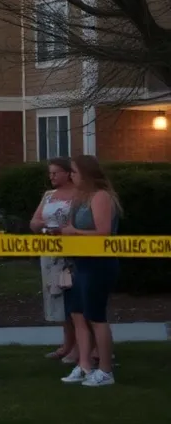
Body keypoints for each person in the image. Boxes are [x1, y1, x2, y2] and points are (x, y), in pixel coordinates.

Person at [57, 154, 122, 387]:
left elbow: (103, 232)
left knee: (96, 316)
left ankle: (105, 370)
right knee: (78, 313)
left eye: (74, 171)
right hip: (80, 263)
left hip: (99, 263)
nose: (71, 175)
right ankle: (84, 365)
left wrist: (74, 232)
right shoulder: (79, 198)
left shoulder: (101, 196)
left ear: (86, 173)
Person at [29, 157, 79, 363]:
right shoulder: (48, 196)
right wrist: (45, 228)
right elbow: (34, 222)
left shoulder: (80, 196)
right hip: (50, 253)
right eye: (50, 173)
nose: (51, 176)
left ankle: (81, 345)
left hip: (72, 253)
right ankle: (67, 343)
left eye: (55, 172)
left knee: (76, 299)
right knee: (58, 299)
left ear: (68, 173)